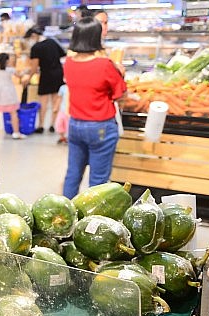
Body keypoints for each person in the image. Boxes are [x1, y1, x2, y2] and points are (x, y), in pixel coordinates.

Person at [61, 17, 127, 199]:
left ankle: (65, 212)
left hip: (75, 125)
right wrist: (120, 72)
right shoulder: (105, 65)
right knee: (98, 180)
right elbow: (119, 94)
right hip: (101, 126)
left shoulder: (69, 63)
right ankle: (92, 222)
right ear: (96, 37)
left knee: (73, 174)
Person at [25, 26, 66, 134]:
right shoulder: (52, 42)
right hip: (58, 73)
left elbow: (34, 67)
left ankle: (41, 125)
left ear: (34, 35)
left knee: (43, 101)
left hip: (46, 74)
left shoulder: (36, 48)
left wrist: (28, 78)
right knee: (55, 101)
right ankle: (53, 124)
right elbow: (63, 55)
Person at [0, 53, 24, 139]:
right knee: (13, 112)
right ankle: (16, 133)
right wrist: (25, 72)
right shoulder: (10, 70)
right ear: (6, 61)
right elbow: (19, 76)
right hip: (8, 93)